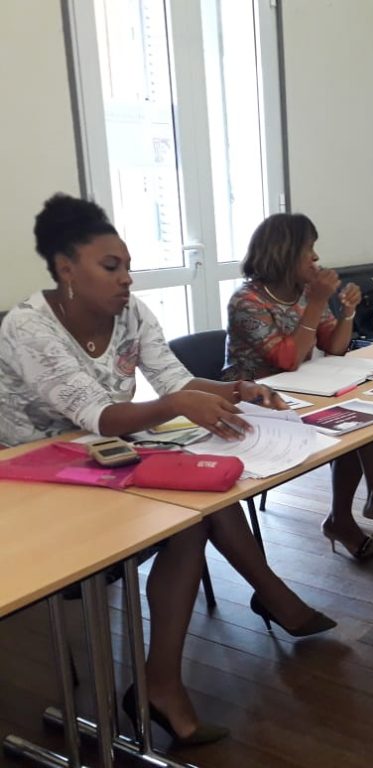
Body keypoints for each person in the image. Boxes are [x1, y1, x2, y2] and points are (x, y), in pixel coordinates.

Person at [0, 194, 336, 747]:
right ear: (66, 269)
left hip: (105, 459)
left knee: (195, 510)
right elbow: (98, 414)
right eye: (111, 267)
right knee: (190, 512)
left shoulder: (130, 313)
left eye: (128, 266)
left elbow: (175, 381)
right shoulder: (28, 327)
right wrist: (178, 405)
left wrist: (235, 389)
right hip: (33, 482)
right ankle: (266, 606)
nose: (127, 279)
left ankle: (162, 683)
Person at [224, 213, 373, 560]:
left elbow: (335, 347)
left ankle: (364, 507)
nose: (315, 257)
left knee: (366, 416)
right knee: (349, 423)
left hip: (296, 392)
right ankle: (368, 509)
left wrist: (347, 311)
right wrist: (316, 303)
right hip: (253, 404)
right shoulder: (247, 301)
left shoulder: (305, 293)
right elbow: (287, 359)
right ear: (284, 254)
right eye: (308, 250)